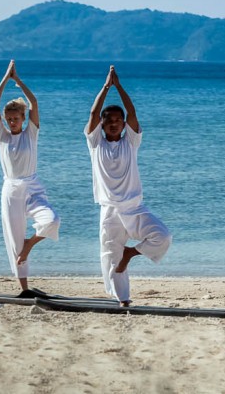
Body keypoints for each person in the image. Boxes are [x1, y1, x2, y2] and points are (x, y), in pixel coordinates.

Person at [85, 66, 172, 306]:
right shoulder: (95, 144)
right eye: (108, 121)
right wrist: (105, 87)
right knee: (110, 256)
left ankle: (130, 254)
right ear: (102, 125)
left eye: (117, 120)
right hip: (110, 210)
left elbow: (132, 112)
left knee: (163, 236)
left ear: (123, 125)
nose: (113, 123)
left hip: (134, 207)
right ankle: (123, 299)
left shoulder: (131, 142)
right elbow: (92, 114)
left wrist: (119, 87)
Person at [0, 60, 60, 291]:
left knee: (51, 220)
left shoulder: (31, 133)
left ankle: (29, 245)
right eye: (8, 118)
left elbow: (35, 103)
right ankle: (24, 289)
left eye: (15, 118)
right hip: (11, 190)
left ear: (22, 117)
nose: (11, 122)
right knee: (13, 239)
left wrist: (17, 80)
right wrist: (4, 78)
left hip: (32, 186)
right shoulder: (2, 136)